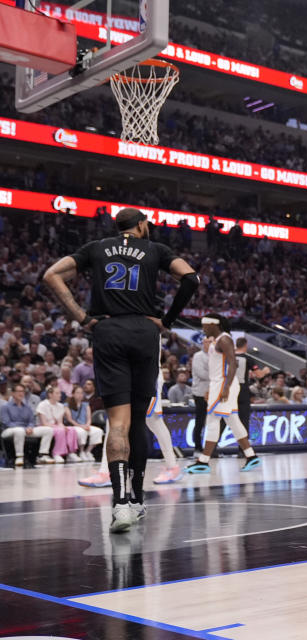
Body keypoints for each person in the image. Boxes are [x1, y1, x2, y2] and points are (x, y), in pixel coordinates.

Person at [43, 207, 199, 533]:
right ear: (141, 225)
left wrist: (82, 317)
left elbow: (51, 275)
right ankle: (138, 499)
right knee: (138, 421)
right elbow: (190, 278)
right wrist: (167, 322)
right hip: (144, 332)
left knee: (118, 423)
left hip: (108, 332)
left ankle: (121, 505)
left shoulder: (97, 247)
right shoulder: (155, 250)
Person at [185, 314, 261, 474]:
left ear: (214, 325)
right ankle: (251, 456)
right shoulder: (218, 339)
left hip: (223, 384)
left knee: (212, 420)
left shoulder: (224, 340)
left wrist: (225, 387)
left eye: (205, 326)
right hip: (219, 383)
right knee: (233, 421)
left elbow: (233, 363)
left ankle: (203, 461)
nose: (203, 329)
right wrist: (211, 388)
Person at [1, 383, 54, 466]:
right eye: (18, 391)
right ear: (13, 393)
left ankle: (43, 455)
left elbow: (31, 421)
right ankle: (19, 456)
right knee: (19, 431)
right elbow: (7, 423)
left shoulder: (27, 407)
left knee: (48, 430)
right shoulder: (5, 406)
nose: (21, 393)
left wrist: (30, 427)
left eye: (22, 391)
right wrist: (24, 428)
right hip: (8, 430)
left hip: (26, 429)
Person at [36, 384, 79, 463]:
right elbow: (44, 423)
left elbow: (60, 422)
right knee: (60, 430)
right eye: (57, 393)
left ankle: (71, 453)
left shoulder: (60, 406)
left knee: (71, 429)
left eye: (60, 393)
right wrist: (59, 427)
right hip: (45, 426)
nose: (60, 395)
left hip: (56, 426)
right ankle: (57, 453)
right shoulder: (42, 405)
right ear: (50, 394)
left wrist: (62, 426)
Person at [65, 384, 104, 462]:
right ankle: (81, 451)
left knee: (98, 431)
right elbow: (70, 419)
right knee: (82, 432)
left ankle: (88, 451)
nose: (80, 395)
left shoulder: (86, 405)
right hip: (74, 426)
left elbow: (89, 418)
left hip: (85, 425)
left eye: (81, 393)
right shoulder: (67, 405)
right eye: (78, 393)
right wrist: (81, 426)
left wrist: (87, 425)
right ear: (73, 394)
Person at [191, 338, 211, 455]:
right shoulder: (198, 356)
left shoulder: (215, 355)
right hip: (200, 393)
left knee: (213, 421)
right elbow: (202, 374)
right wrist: (215, 374)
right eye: (207, 342)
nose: (209, 344)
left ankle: (211, 448)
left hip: (212, 392)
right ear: (203, 343)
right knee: (200, 421)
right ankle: (197, 448)